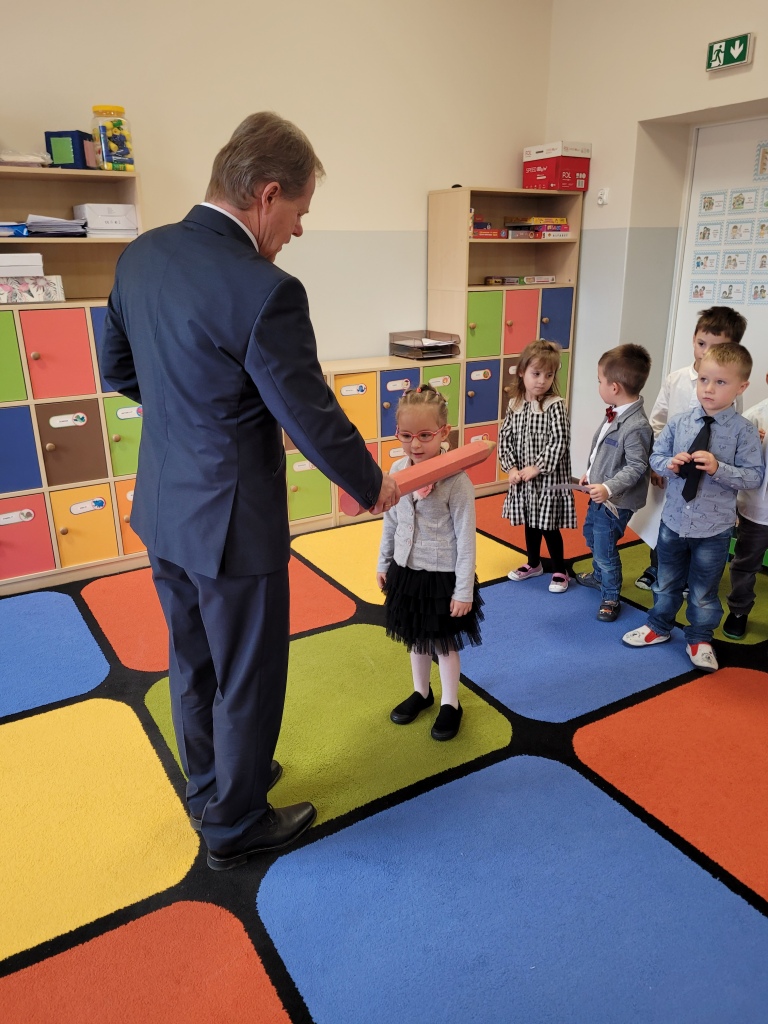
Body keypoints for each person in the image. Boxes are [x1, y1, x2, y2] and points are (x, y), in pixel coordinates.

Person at [98, 112, 400, 871]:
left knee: (193, 659)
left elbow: (119, 371)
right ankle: (235, 823)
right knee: (249, 673)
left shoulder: (141, 254)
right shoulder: (266, 290)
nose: (298, 229)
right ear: (267, 195)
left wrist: (192, 414)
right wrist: (373, 484)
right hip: (233, 521)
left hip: (163, 504)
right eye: (299, 211)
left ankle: (212, 786)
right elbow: (309, 414)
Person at [622, 344, 763, 671]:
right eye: (703, 380)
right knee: (666, 581)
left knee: (703, 590)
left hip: (714, 530)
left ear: (741, 387)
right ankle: (658, 626)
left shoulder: (744, 431)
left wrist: (718, 468)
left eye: (720, 382)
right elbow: (656, 457)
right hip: (673, 522)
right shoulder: (679, 423)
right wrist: (669, 464)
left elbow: (754, 476)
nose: (709, 389)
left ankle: (700, 637)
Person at [376, 385, 483, 742]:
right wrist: (384, 562)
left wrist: (463, 590)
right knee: (415, 639)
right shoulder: (396, 470)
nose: (415, 444)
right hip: (407, 570)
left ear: (443, 432)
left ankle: (451, 702)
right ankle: (422, 692)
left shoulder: (457, 481)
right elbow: (390, 522)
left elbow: (466, 539)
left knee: (443, 643)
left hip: (442, 576)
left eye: (425, 435)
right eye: (406, 436)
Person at [635, 306, 747, 590]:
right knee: (664, 520)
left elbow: (732, 427)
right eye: (701, 343)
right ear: (693, 339)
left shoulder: (730, 389)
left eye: (716, 347)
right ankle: (657, 566)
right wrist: (658, 463)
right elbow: (657, 421)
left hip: (706, 472)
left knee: (696, 520)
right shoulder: (676, 379)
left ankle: (687, 576)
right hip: (672, 466)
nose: (705, 352)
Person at [575, 345, 653, 622]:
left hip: (616, 500)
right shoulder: (616, 412)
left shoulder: (637, 425)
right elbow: (603, 451)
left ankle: (610, 596)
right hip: (601, 494)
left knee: (605, 547)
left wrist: (607, 487)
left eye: (600, 381)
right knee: (590, 534)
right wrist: (590, 473)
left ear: (614, 387)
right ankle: (599, 576)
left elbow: (636, 466)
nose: (599, 385)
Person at [498, 339, 577, 593]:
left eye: (548, 375)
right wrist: (511, 468)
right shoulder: (515, 405)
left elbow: (560, 441)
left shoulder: (555, 405)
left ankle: (560, 569)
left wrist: (538, 467)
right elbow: (505, 438)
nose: (542, 381)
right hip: (524, 481)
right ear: (522, 372)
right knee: (530, 523)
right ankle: (534, 563)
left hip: (547, 481)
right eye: (536, 374)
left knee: (548, 526)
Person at [722, 374, 768, 639]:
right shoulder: (753, 417)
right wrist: (750, 446)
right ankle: (739, 610)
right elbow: (731, 463)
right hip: (756, 509)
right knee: (745, 562)